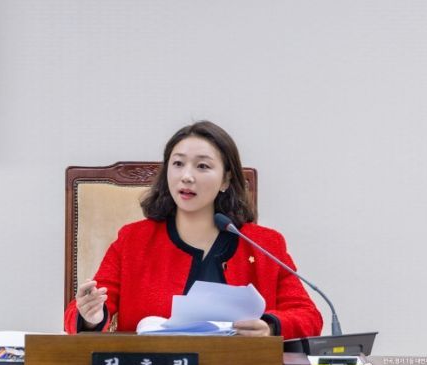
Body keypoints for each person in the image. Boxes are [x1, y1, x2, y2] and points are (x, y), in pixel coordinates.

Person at [64, 121, 322, 338]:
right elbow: (80, 312)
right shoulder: (133, 240)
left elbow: (308, 316)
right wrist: (91, 317)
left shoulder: (264, 244)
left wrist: (270, 326)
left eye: (202, 166)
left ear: (226, 179)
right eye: (178, 164)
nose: (186, 176)